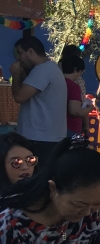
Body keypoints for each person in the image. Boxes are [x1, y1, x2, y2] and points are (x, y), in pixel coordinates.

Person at [10, 35, 67, 164]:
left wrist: (16, 74)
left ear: (31, 52)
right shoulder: (50, 68)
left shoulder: (43, 70)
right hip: (46, 137)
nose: (18, 58)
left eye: (20, 53)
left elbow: (19, 96)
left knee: (35, 179)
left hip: (39, 138)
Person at [61, 55, 91, 137]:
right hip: (71, 127)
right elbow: (75, 111)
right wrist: (91, 108)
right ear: (75, 70)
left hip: (55, 127)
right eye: (81, 72)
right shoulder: (73, 86)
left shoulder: (56, 83)